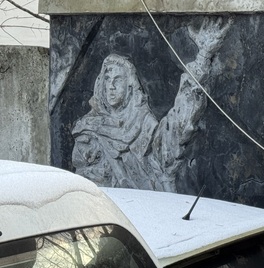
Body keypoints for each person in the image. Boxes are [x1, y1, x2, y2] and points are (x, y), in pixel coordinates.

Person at [71, 18, 229, 191]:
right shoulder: (89, 131)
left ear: (130, 87)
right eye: (107, 79)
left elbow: (177, 127)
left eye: (118, 80)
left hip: (151, 205)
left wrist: (203, 57)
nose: (111, 86)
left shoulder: (144, 126)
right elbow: (85, 189)